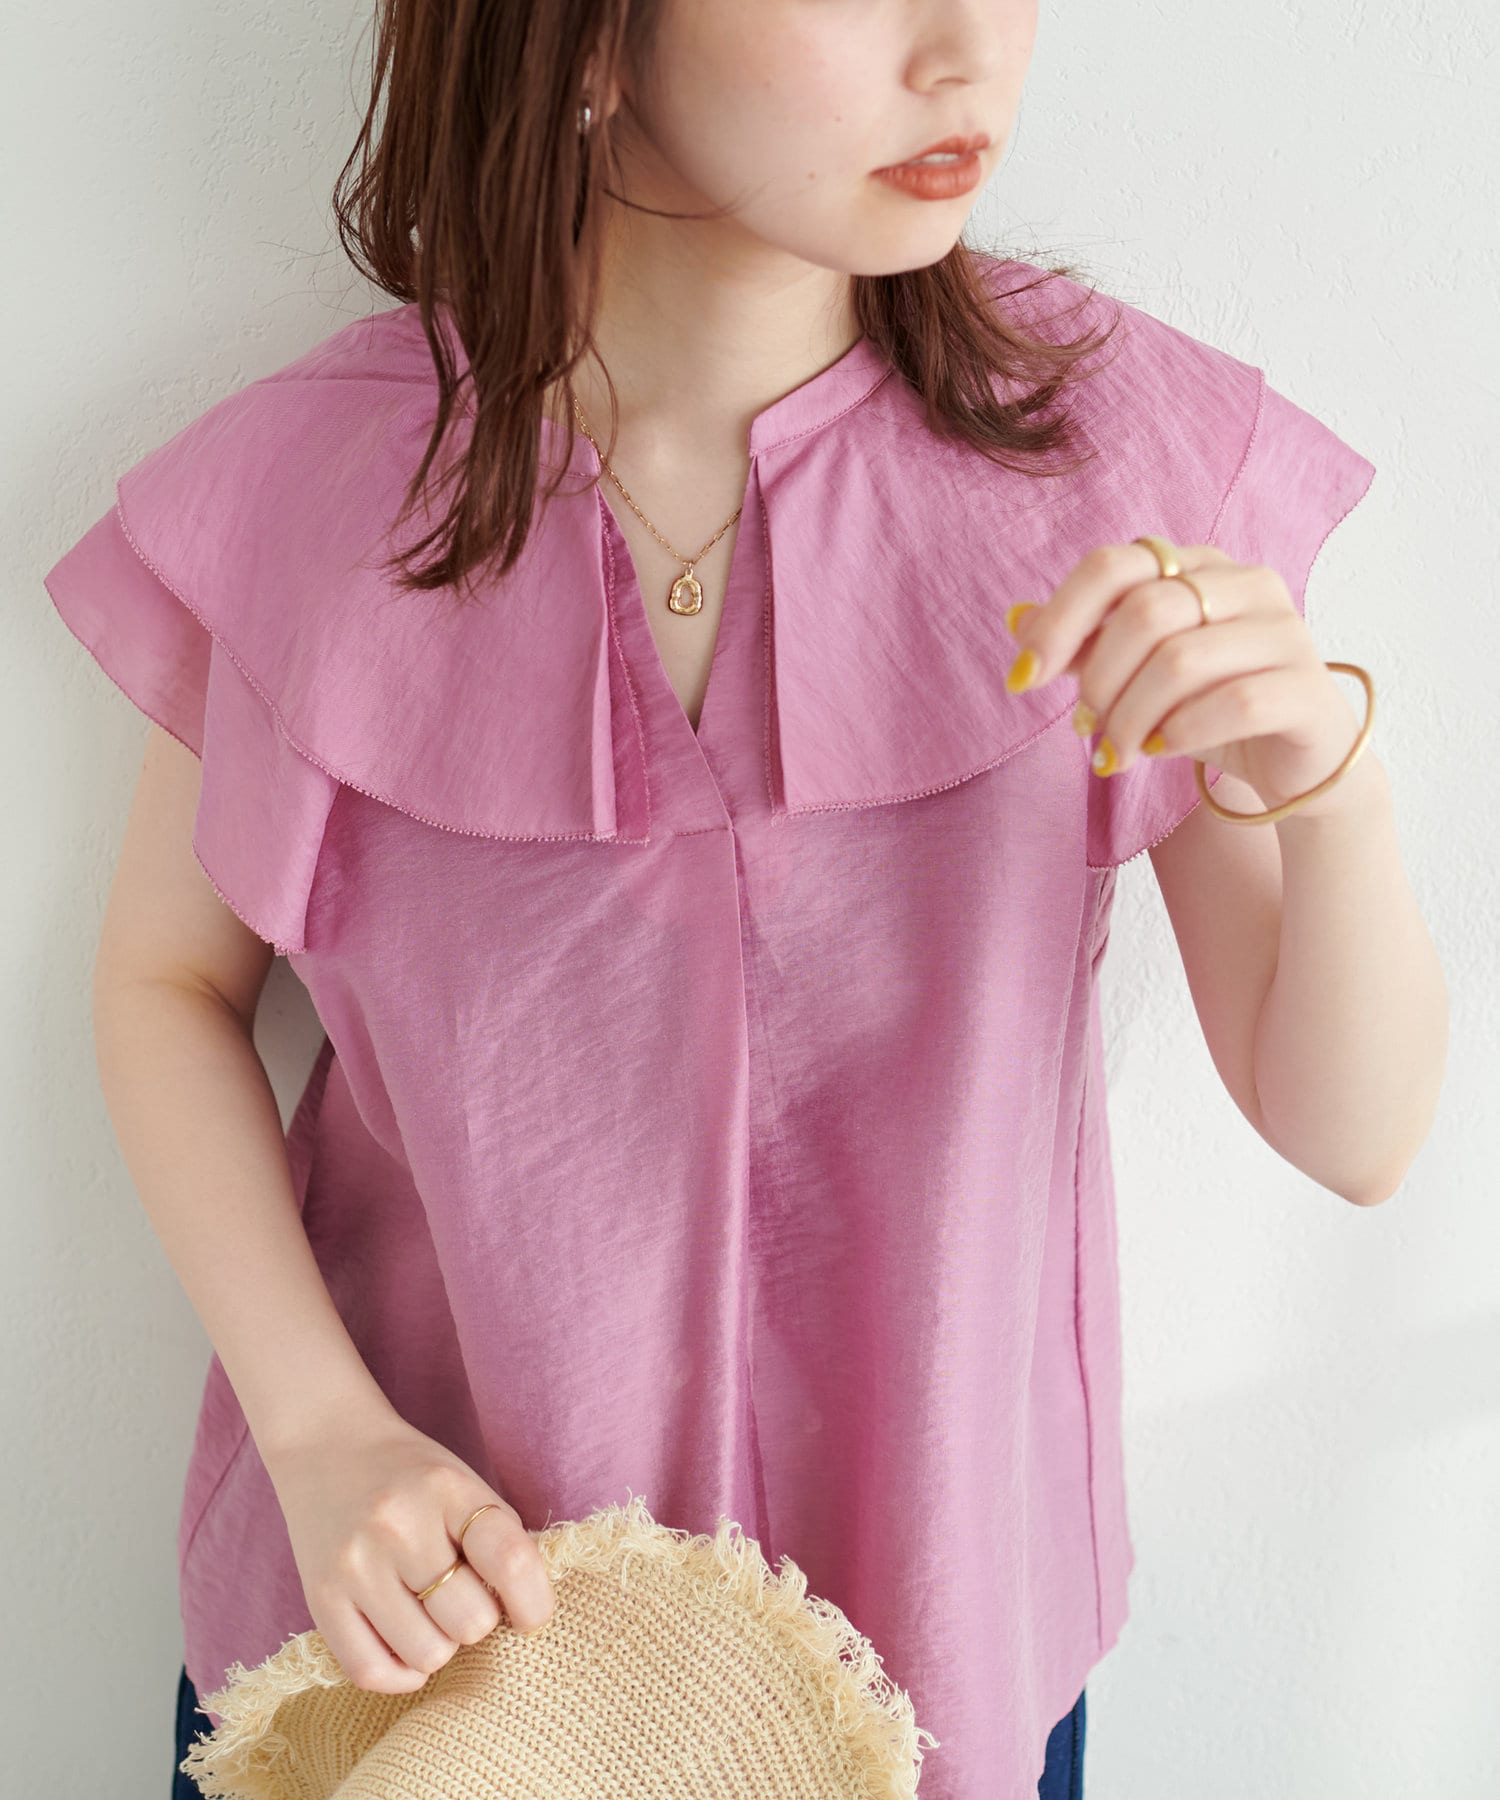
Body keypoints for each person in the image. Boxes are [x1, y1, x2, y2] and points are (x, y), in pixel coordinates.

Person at [42, 2, 1446, 1796]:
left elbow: (1356, 1135)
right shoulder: (314, 495)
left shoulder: (1111, 466)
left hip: (923, 1653)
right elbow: (166, 986)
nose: (969, 52)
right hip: (427, 1656)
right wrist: (320, 1431)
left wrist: (1328, 782)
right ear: (589, 41)